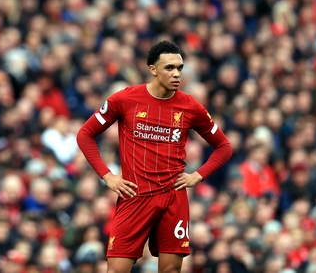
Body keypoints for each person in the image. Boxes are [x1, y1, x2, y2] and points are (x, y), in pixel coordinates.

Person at [77, 41, 233, 273]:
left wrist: (198, 176)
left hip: (173, 198)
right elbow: (85, 134)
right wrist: (107, 176)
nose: (176, 73)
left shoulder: (190, 107)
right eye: (169, 68)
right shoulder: (124, 99)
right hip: (135, 196)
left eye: (180, 68)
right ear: (153, 69)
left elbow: (224, 146)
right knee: (116, 270)